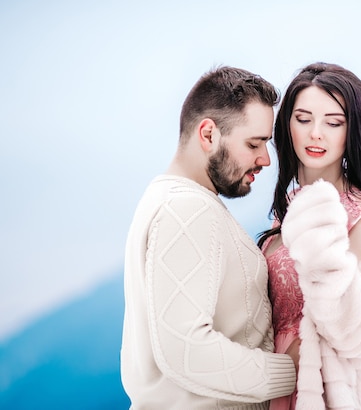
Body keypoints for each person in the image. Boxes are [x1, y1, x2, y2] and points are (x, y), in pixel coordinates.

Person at [121, 66, 299, 409]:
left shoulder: (171, 201)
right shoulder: (186, 209)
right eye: (254, 143)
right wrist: (289, 369)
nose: (265, 159)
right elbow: (185, 348)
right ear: (208, 135)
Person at [258, 62, 361, 409]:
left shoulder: (359, 213)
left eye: (333, 122)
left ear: (350, 132)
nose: (316, 133)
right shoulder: (287, 209)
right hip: (268, 383)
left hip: (320, 391)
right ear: (287, 126)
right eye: (303, 118)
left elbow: (352, 325)